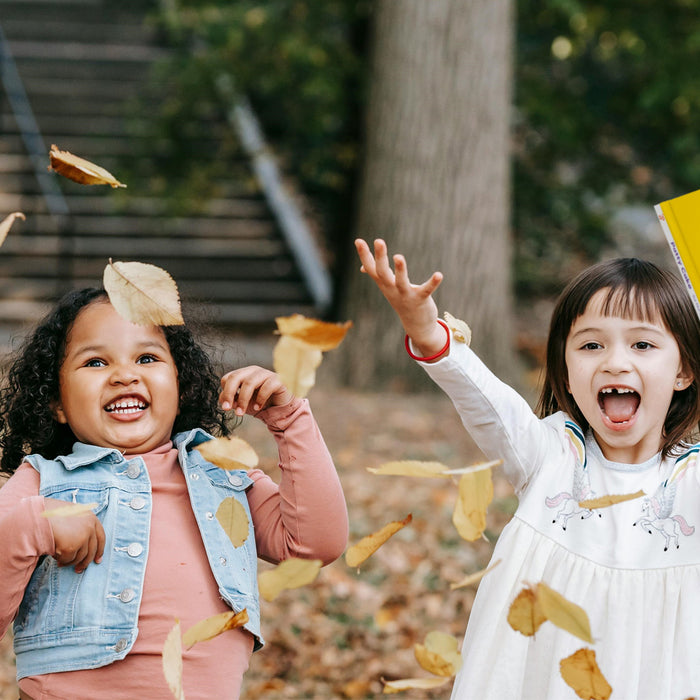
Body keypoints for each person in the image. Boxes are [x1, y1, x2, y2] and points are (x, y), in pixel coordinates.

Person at [355, 238, 700, 699]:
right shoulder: (549, 453)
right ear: (565, 368)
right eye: (592, 345)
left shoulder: (693, 480)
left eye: (642, 344)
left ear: (684, 371)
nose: (616, 361)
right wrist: (426, 329)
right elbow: (483, 401)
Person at [0, 287, 348, 700]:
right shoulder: (42, 481)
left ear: (180, 384)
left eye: (147, 358)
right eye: (95, 362)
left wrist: (289, 420)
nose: (125, 375)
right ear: (56, 402)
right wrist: (35, 524)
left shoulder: (223, 475)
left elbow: (314, 545)